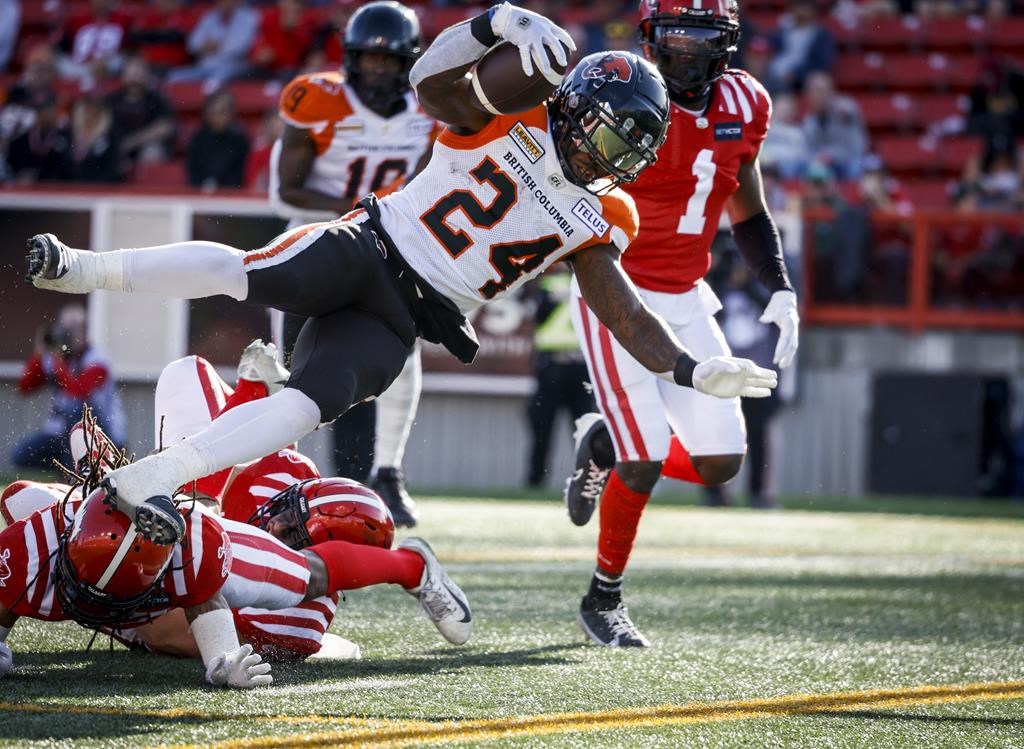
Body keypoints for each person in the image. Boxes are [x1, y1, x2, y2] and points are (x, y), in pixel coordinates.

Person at [25, 2, 777, 551]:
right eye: (616, 135)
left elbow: (624, 313)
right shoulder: (513, 111)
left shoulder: (603, 214)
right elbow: (429, 76)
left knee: (300, 411)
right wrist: (494, 24)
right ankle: (80, 267)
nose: (620, 161)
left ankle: (156, 474)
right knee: (243, 272)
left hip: (406, 319)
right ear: (581, 106)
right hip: (371, 242)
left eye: (634, 151)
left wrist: (689, 365)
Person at [562, 0, 799, 647]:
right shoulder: (626, 93)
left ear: (727, 43)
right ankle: (603, 598)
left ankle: (604, 443)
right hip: (616, 284)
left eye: (703, 35)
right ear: (650, 37)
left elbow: (745, 201)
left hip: (689, 293)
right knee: (643, 460)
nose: (689, 49)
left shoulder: (746, 104)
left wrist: (778, 285)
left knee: (721, 460)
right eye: (677, 34)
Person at [0, 481, 472, 688]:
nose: (281, 526)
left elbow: (171, 631)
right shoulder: (30, 548)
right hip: (141, 525)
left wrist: (219, 660)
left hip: (187, 556)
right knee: (23, 498)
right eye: (287, 513)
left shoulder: (202, 556)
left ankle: (411, 567)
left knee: (302, 578)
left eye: (298, 527)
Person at [268, 0, 436, 527]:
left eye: (389, 61)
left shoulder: (431, 106)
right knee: (287, 359)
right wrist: (358, 211)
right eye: (368, 59)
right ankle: (274, 467)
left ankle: (388, 472)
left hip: (389, 243)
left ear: (409, 62)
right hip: (320, 236)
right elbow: (286, 191)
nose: (378, 70)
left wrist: (390, 216)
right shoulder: (315, 98)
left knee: (404, 348)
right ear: (350, 57)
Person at [12, 303, 125, 471]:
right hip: (58, 433)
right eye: (63, 329)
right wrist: (40, 352)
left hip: (100, 434)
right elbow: (24, 387)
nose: (66, 335)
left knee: (76, 413)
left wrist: (58, 362)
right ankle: (69, 469)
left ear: (84, 331)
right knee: (21, 455)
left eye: (71, 330)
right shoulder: (55, 357)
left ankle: (75, 475)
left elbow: (78, 393)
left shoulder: (97, 360)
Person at [525, 266, 595, 488]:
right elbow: (538, 315)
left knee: (584, 430)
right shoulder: (553, 284)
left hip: (578, 367)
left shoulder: (591, 282)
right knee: (542, 428)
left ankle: (585, 482)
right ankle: (536, 481)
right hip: (553, 366)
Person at [186, 90, 251, 190]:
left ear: (231, 114)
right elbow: (192, 172)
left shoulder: (240, 140)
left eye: (222, 112)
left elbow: (240, 174)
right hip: (199, 193)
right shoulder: (198, 139)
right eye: (213, 112)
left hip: (230, 194)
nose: (217, 117)